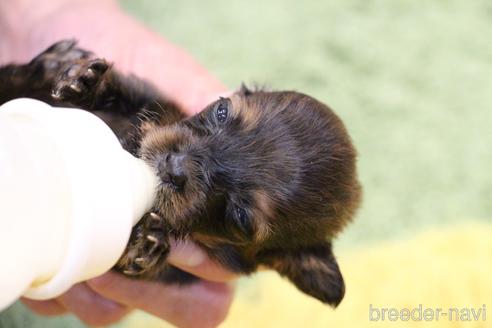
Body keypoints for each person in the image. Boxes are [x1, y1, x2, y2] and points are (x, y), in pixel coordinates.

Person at [0, 0, 236, 327]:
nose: (181, 165)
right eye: (221, 115)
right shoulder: (167, 112)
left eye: (239, 212)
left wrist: (141, 258)